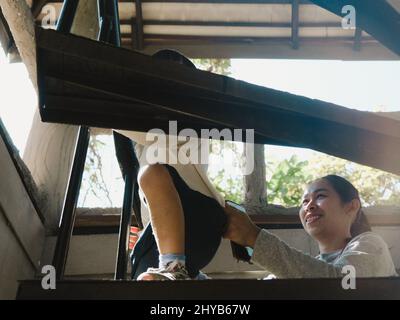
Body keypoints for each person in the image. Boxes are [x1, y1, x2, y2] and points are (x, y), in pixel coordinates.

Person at [114, 49, 227, 281]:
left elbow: (144, 128)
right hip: (157, 236)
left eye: (177, 78)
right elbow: (129, 162)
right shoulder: (143, 139)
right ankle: (189, 274)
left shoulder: (194, 120)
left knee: (152, 174)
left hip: (198, 216)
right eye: (159, 77)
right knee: (144, 277)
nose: (168, 85)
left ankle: (175, 267)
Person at [224, 174, 398, 278]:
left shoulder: (372, 244)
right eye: (304, 201)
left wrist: (253, 237)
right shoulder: (308, 267)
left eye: (320, 196)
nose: (309, 206)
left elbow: (340, 282)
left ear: (351, 206)